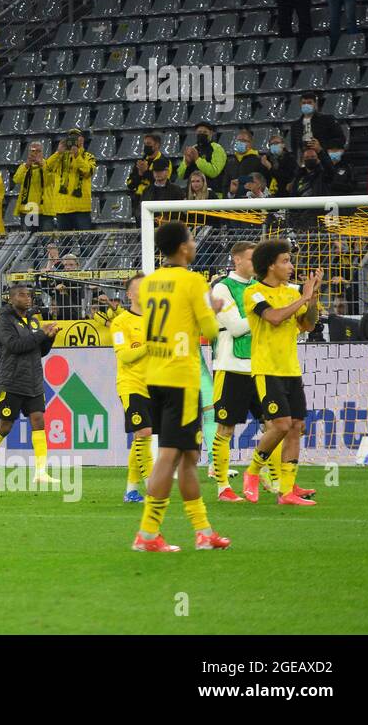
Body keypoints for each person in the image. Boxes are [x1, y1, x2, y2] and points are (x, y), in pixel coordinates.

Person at [133, 222, 229, 552]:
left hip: (155, 374)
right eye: (191, 239)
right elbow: (210, 331)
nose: (194, 244)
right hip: (181, 378)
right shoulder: (192, 281)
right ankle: (147, 534)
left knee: (189, 455)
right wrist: (212, 310)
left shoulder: (149, 283)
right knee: (170, 455)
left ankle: (203, 532)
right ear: (184, 248)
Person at [241, 240, 322, 506]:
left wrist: (314, 297)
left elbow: (307, 325)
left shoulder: (291, 292)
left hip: (290, 368)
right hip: (267, 369)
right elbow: (273, 318)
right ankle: (252, 472)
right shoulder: (253, 292)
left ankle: (287, 492)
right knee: (281, 425)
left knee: (296, 427)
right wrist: (304, 296)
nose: (290, 266)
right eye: (285, 261)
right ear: (270, 265)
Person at [0, 284, 60, 484]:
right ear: (11, 299)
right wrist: (41, 334)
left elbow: (39, 351)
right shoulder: (3, 321)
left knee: (38, 420)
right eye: (22, 295)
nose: (27, 298)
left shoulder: (32, 321)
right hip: (11, 381)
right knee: (5, 426)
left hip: (33, 380)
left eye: (29, 295)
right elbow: (15, 346)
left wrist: (49, 338)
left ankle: (41, 472)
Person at [207, 242, 263, 503]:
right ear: (237, 260)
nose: (256, 263)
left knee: (274, 425)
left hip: (261, 366)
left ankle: (273, 481)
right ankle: (223, 488)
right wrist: (266, 314)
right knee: (226, 428)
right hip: (230, 366)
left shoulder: (258, 288)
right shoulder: (221, 288)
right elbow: (238, 327)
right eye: (252, 259)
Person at [109, 273, 153, 503]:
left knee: (141, 439)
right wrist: (150, 345)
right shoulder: (120, 322)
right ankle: (152, 485)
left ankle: (131, 491)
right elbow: (125, 356)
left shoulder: (158, 319)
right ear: (129, 294)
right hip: (131, 384)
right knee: (143, 433)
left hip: (155, 385)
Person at [12, 141, 49, 230]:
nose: (35, 153)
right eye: (33, 151)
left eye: (38, 151)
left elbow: (51, 180)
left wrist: (41, 165)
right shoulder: (24, 166)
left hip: (45, 210)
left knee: (46, 240)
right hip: (29, 209)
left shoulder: (48, 165)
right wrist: (26, 166)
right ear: (29, 152)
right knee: (29, 241)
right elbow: (16, 179)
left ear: (42, 153)